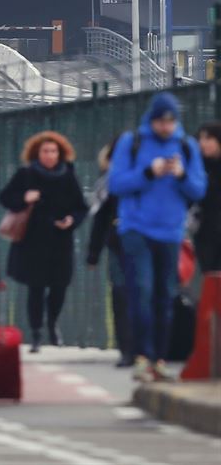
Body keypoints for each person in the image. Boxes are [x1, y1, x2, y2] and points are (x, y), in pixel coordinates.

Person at [109, 92, 207, 382]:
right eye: (161, 121)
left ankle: (160, 358)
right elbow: (116, 183)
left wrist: (180, 174)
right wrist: (148, 172)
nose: (165, 126)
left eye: (170, 121)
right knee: (142, 288)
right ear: (151, 120)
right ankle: (142, 355)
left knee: (166, 294)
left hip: (171, 230)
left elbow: (198, 189)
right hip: (136, 227)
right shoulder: (133, 142)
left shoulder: (187, 146)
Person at [0, 131, 88, 353]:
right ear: (37, 153)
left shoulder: (68, 175)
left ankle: (52, 324)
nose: (50, 155)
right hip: (33, 241)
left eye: (54, 151)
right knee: (36, 288)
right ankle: (37, 333)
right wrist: (24, 198)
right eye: (45, 151)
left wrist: (71, 221)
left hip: (61, 240)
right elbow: (5, 197)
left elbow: (81, 207)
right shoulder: (26, 174)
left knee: (60, 286)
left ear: (61, 153)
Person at [87, 140, 133, 368]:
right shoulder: (108, 183)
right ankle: (127, 348)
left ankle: (143, 348)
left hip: (144, 243)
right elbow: (100, 218)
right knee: (121, 294)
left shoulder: (144, 177)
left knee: (141, 294)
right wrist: (93, 252)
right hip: (118, 244)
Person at [193, 122, 221, 273]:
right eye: (201, 138)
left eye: (208, 138)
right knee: (210, 277)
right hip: (205, 232)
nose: (202, 143)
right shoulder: (199, 165)